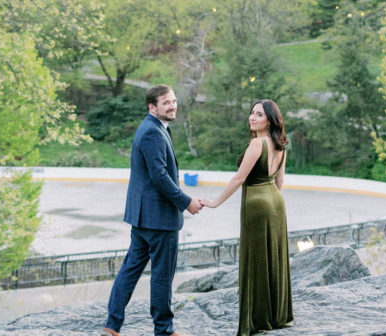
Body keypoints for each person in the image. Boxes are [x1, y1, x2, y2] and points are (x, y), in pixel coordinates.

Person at [101, 84, 202, 336]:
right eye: (166, 102)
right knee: (161, 276)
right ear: (152, 107)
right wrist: (185, 201)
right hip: (159, 220)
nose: (172, 106)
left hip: (144, 218)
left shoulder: (154, 128)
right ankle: (164, 330)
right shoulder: (152, 132)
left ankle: (112, 326)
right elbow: (159, 176)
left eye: (174, 101)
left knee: (130, 270)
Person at [201, 99, 293, 336]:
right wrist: (271, 204)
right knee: (274, 258)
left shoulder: (257, 144)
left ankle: (259, 319)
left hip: (257, 202)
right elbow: (280, 182)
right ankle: (278, 315)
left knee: (257, 260)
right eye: (252, 113)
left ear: (269, 120)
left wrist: (215, 202)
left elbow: (239, 179)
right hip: (275, 202)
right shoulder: (280, 144)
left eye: (259, 115)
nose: (252, 117)